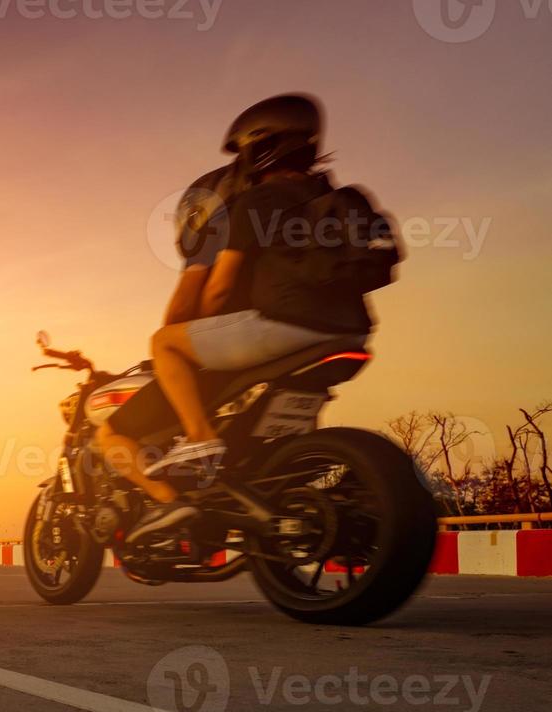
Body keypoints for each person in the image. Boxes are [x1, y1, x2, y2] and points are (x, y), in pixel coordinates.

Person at [102, 94, 400, 543]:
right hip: (352, 329)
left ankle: (197, 448)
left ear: (258, 148)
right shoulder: (339, 198)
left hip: (285, 327)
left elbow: (219, 287)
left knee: (165, 341)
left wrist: (194, 332)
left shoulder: (257, 202)